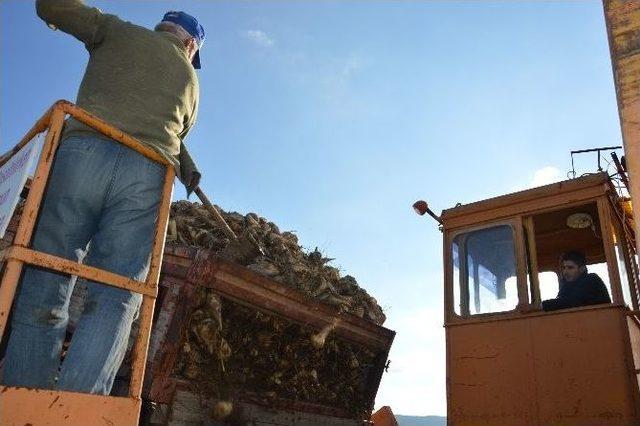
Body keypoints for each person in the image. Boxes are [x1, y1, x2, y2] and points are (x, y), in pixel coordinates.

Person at [1, 0, 204, 395]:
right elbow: (173, 135)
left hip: (84, 154)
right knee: (118, 293)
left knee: (48, 271)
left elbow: (52, 7)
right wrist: (188, 166)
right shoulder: (191, 82)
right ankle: (82, 408)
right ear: (191, 45)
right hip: (147, 173)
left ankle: (24, 396)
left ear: (162, 28)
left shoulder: (115, 30)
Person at [542, 250, 611, 312]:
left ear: (582, 269)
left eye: (570, 268)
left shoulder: (591, 280)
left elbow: (571, 301)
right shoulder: (567, 286)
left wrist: (541, 306)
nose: (565, 272)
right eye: (563, 268)